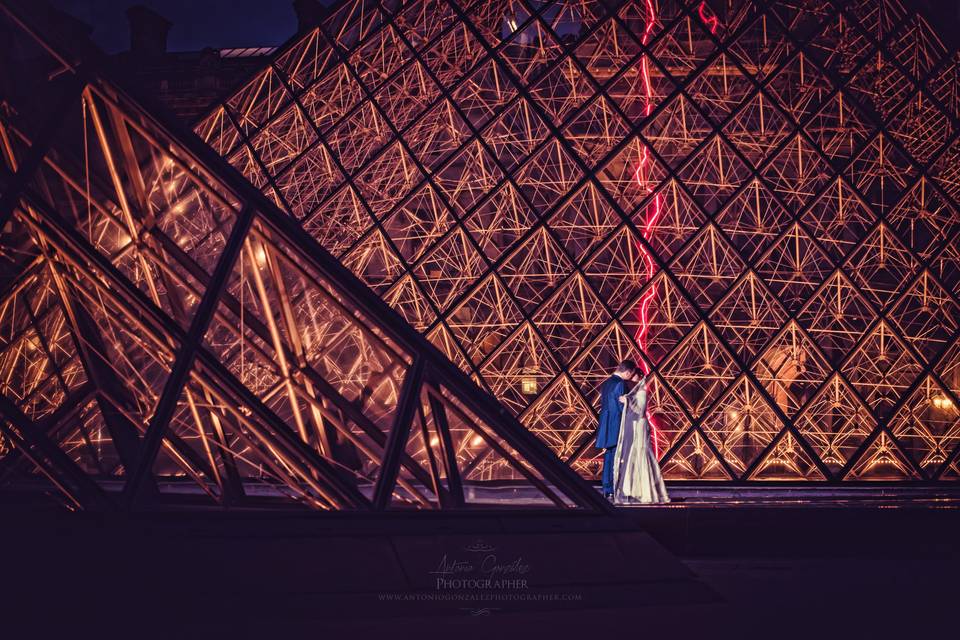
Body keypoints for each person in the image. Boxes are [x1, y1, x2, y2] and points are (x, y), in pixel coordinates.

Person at [613, 371, 669, 504]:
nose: (632, 378)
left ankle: (643, 490)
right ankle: (635, 490)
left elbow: (640, 411)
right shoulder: (635, 392)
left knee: (641, 454)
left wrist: (627, 401)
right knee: (634, 455)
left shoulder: (642, 392)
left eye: (634, 376)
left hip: (640, 426)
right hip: (635, 425)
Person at [595, 360, 637, 498]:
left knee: (609, 456)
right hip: (616, 424)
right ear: (628, 372)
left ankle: (608, 488)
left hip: (606, 424)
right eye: (631, 375)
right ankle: (613, 487)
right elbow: (621, 408)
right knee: (615, 458)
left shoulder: (607, 383)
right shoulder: (620, 384)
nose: (631, 378)